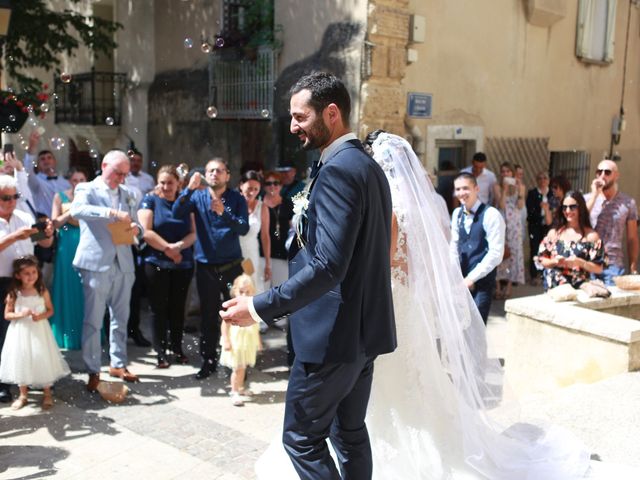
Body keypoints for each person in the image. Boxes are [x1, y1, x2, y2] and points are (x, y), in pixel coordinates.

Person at [221, 72, 396, 479]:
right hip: (363, 330)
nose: (293, 127)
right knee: (348, 432)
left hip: (331, 336)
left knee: (301, 438)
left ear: (331, 114)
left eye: (300, 117)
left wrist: (259, 306)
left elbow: (328, 265)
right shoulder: (367, 166)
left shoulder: (338, 169)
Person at [70, 150, 143, 391]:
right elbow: (77, 210)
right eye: (118, 173)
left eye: (125, 174)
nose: (122, 178)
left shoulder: (128, 193)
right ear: (103, 166)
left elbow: (138, 224)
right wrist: (110, 212)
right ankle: (93, 369)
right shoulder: (87, 188)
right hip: (96, 262)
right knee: (93, 320)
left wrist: (136, 230)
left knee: (121, 317)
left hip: (123, 262)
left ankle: (118, 363)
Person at [172, 157, 249, 380]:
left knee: (237, 315)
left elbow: (243, 228)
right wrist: (188, 188)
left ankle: (239, 364)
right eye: (210, 171)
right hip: (206, 267)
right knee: (208, 316)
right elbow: (177, 212)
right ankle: (209, 361)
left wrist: (224, 212)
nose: (215, 174)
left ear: (227, 175)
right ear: (205, 174)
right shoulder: (197, 196)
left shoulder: (236, 199)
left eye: (219, 171)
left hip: (232, 267)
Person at [0, 174, 54, 404]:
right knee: (2, 334)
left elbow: (44, 244)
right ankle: (3, 383)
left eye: (15, 196)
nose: (11, 201)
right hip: (1, 281)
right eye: (5, 198)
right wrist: (14, 237)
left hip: (26, 282)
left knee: (25, 333)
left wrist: (48, 233)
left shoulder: (23, 215)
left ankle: (26, 378)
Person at [138, 165, 196, 368]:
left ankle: (177, 348)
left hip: (183, 263)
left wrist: (179, 247)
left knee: (178, 308)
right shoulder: (150, 199)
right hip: (156, 262)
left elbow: (193, 232)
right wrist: (168, 249)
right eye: (162, 182)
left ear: (178, 183)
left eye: (170, 182)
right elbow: (145, 231)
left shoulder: (185, 201)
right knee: (158, 309)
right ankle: (160, 351)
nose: (165, 186)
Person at [0, 255, 69, 410]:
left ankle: (47, 394)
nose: (31, 276)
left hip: (39, 331)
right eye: (27, 273)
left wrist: (41, 316)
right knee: (22, 359)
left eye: (34, 272)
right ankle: (23, 394)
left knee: (41, 358)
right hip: (20, 332)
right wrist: (21, 314)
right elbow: (7, 315)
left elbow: (51, 310)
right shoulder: (14, 293)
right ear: (18, 275)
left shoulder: (41, 290)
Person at [450, 172, 505, 324]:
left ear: (476, 189)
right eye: (458, 189)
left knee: (477, 330)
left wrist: (471, 278)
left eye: (465, 188)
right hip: (459, 283)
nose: (461, 193)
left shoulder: (491, 215)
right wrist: (453, 274)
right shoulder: (456, 214)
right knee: (459, 332)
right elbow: (454, 246)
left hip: (482, 284)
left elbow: (496, 254)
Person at [49, 167, 88, 350]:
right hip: (67, 246)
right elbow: (54, 223)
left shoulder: (91, 197)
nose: (78, 183)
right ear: (70, 181)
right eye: (75, 180)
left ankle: (87, 336)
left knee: (85, 289)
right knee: (67, 285)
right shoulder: (60, 196)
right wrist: (70, 212)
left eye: (82, 179)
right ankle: (66, 335)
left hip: (86, 243)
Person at [536, 191, 605, 290]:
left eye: (572, 207)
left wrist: (580, 262)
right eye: (564, 207)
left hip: (578, 292)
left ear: (580, 208)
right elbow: (541, 259)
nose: (567, 211)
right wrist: (555, 261)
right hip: (554, 292)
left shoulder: (591, 236)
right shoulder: (554, 233)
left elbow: (599, 268)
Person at [585, 159, 638, 284]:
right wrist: (594, 195)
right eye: (599, 172)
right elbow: (578, 222)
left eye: (607, 172)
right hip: (588, 263)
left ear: (616, 175)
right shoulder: (587, 199)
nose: (602, 175)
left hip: (613, 265)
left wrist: (633, 267)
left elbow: (632, 238)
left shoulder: (628, 203)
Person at [220, 273, 261, 407]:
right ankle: (234, 391)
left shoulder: (252, 308)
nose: (244, 295)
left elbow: (256, 326)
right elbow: (224, 325)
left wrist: (259, 342)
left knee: (243, 368)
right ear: (234, 291)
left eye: (247, 292)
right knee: (237, 369)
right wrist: (226, 340)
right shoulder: (233, 308)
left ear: (253, 291)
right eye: (241, 292)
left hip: (247, 344)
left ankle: (241, 388)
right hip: (236, 344)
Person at [493, 162, 525, 299]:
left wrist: (519, 190)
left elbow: (520, 205)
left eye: (508, 172)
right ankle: (498, 286)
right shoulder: (496, 186)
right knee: (500, 253)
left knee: (514, 253)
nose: (505, 174)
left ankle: (509, 286)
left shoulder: (521, 186)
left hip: (515, 223)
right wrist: (505, 190)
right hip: (502, 221)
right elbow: (501, 205)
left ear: (512, 173)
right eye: (503, 171)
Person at [260, 171, 294, 288]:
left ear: (281, 185)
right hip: (261, 254)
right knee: (262, 292)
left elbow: (293, 230)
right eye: (268, 183)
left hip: (282, 254)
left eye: (276, 183)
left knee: (281, 290)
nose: (272, 186)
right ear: (264, 186)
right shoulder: (259, 204)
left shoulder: (288, 204)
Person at [238, 170, 270, 294]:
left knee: (250, 288)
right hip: (232, 253)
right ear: (241, 185)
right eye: (249, 188)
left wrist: (268, 264)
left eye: (256, 189)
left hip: (250, 255)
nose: (252, 192)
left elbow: (265, 236)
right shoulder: (233, 203)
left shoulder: (262, 207)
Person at [526, 171, 551, 285]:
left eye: (544, 178)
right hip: (535, 225)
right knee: (535, 249)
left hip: (548, 226)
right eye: (540, 178)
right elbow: (529, 211)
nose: (542, 181)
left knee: (547, 250)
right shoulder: (532, 193)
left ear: (548, 180)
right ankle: (534, 275)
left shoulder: (551, 193)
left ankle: (545, 274)